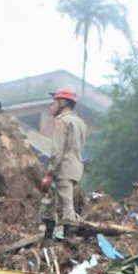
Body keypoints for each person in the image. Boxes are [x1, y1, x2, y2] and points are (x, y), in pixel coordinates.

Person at [40, 88, 86, 239]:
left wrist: (49, 173)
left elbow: (57, 151)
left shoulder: (63, 121)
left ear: (63, 102)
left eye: (55, 101)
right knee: (51, 201)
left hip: (63, 168)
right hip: (75, 168)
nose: (52, 106)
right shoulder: (80, 123)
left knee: (66, 203)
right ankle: (48, 237)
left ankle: (68, 240)